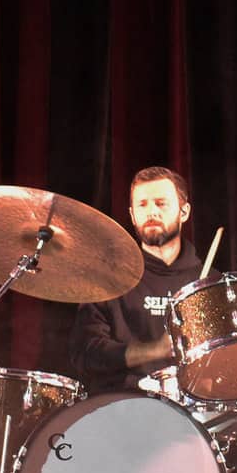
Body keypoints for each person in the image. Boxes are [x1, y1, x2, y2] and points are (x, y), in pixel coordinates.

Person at [67, 167, 201, 396]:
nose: (151, 212)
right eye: (142, 205)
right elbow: (85, 353)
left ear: (184, 212)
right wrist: (155, 350)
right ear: (132, 215)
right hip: (122, 405)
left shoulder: (207, 281)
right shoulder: (110, 278)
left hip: (193, 409)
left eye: (161, 203)